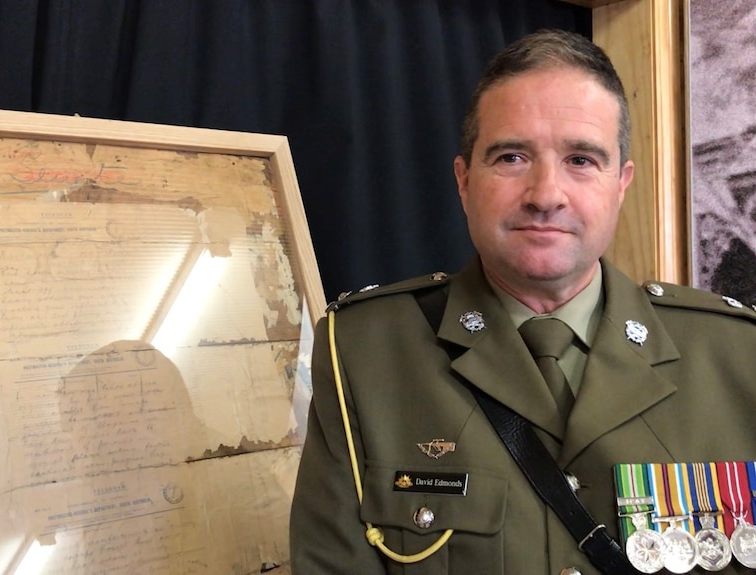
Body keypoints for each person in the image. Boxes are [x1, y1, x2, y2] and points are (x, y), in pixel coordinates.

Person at [289, 29, 756, 575]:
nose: (546, 194)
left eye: (581, 160)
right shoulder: (365, 352)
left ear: (621, 184)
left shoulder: (737, 352)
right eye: (511, 157)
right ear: (464, 182)